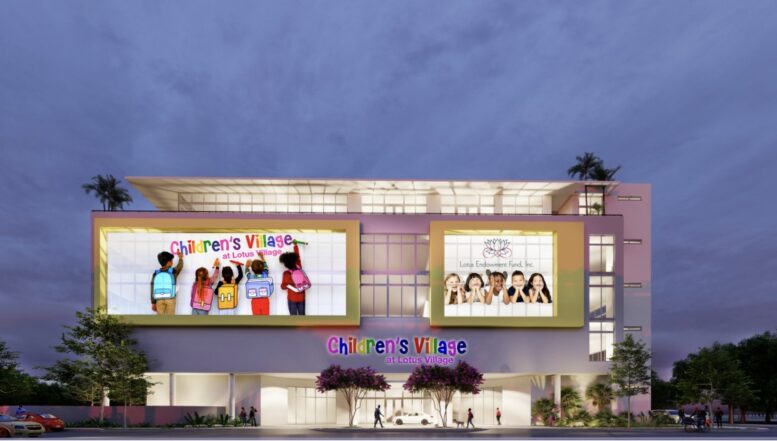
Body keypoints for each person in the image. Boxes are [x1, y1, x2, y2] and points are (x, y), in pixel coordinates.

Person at [150, 251, 184, 315]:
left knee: (160, 318)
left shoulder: (156, 273)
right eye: (171, 261)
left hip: (159, 298)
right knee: (170, 318)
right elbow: (180, 266)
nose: (172, 262)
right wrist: (180, 258)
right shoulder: (173, 271)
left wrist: (153, 302)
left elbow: (152, 287)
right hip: (170, 298)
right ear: (169, 262)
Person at [280, 241, 308, 315]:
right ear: (295, 261)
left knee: (293, 316)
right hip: (301, 297)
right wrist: (295, 246)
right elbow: (298, 257)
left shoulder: (286, 274)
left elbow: (283, 287)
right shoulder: (299, 268)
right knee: (302, 315)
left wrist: (287, 285)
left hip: (292, 298)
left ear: (285, 264)